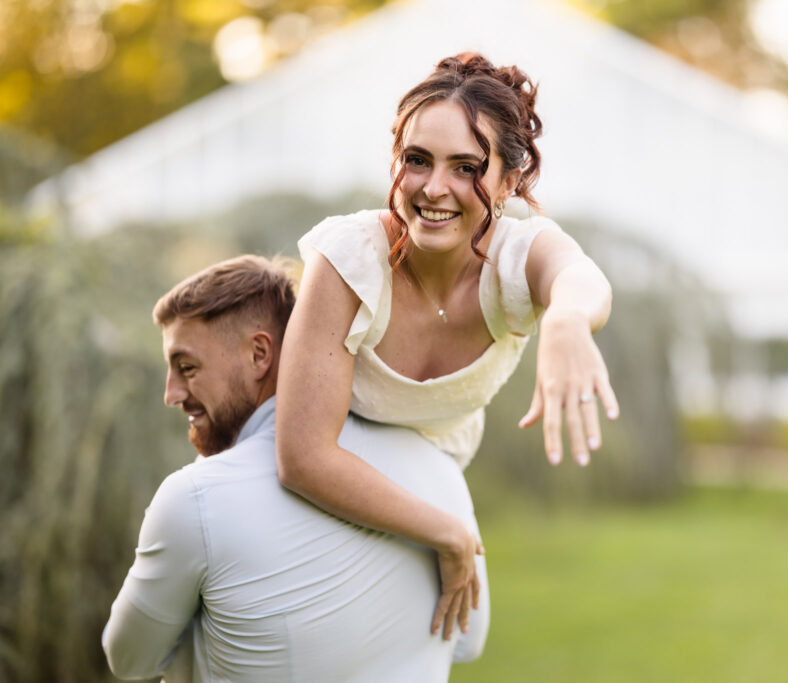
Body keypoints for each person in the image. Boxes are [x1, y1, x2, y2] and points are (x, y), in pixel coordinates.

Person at [276, 52, 618, 642]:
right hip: (318, 492)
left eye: (466, 168)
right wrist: (449, 532)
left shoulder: (518, 256)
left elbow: (580, 278)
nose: (435, 188)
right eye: (417, 161)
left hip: (428, 487)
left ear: (508, 183)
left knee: (462, 640)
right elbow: (302, 456)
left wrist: (564, 322)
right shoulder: (348, 258)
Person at [103, 255, 486, 682]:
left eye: (187, 368)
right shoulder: (437, 468)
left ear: (259, 354)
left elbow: (128, 660)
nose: (171, 394)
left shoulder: (195, 500)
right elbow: (468, 641)